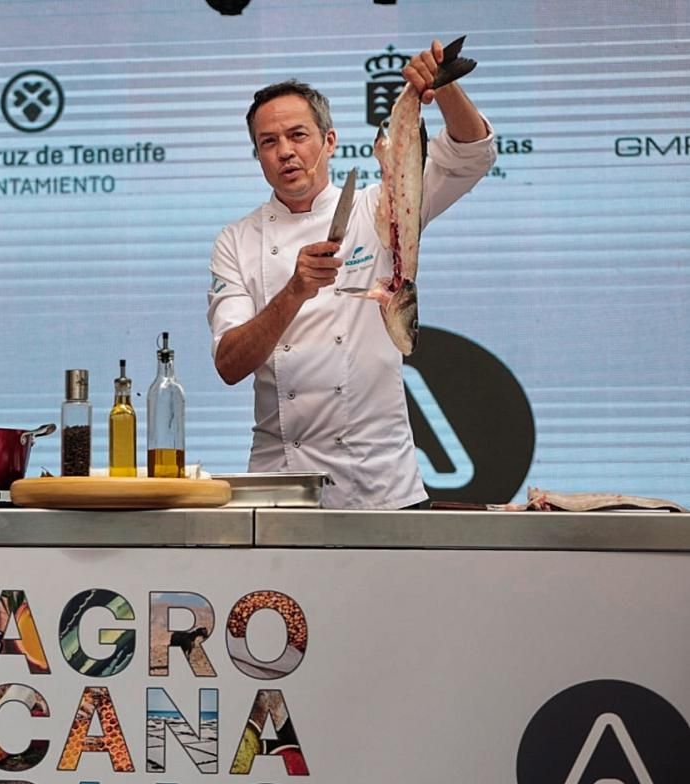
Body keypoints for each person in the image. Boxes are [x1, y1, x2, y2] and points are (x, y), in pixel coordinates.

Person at [206, 40, 495, 509]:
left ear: (329, 141)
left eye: (298, 136)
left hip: (380, 485)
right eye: (268, 142)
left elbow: (470, 155)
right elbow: (229, 363)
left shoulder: (383, 207)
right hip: (282, 488)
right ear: (257, 155)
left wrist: (441, 88)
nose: (285, 152)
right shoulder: (236, 241)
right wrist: (294, 291)